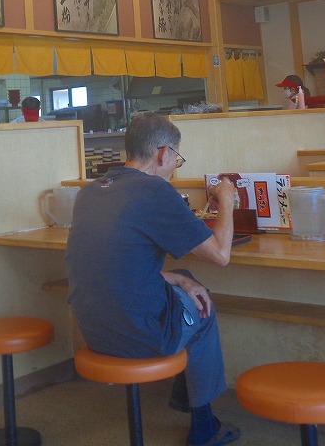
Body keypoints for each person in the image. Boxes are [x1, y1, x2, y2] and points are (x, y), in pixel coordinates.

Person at [66, 113, 241, 446]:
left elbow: (115, 262)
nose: (174, 166)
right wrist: (227, 201)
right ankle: (204, 426)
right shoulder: (156, 190)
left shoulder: (90, 192)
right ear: (163, 153)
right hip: (136, 334)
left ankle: (185, 400)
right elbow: (221, 255)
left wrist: (178, 279)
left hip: (93, 330)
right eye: (177, 158)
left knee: (187, 279)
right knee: (203, 308)